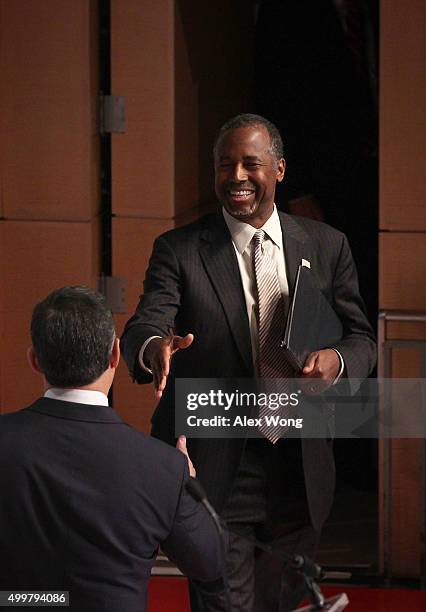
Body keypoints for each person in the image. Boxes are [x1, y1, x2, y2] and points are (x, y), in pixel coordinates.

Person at [121, 114, 376, 611]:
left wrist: (339, 362)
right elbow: (144, 325)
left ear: (279, 170)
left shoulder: (327, 246)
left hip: (299, 471)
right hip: (218, 468)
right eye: (224, 165)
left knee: (280, 600)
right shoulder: (180, 250)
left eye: (250, 164)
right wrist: (156, 349)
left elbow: (361, 337)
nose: (236, 175)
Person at [0, 286, 223, 612]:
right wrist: (188, 483)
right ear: (116, 355)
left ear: (34, 360)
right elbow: (211, 562)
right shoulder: (162, 465)